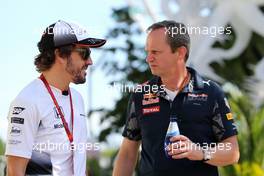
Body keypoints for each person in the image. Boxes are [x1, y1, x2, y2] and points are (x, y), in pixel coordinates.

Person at [113, 20, 239, 176]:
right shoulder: (140, 94)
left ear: (180, 52)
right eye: (148, 52)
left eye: (155, 52)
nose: (148, 59)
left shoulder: (211, 93)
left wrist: (200, 152)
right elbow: (127, 153)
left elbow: (232, 151)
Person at [5, 20, 106, 176]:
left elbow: (75, 158)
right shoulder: (27, 101)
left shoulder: (78, 99)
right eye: (85, 53)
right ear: (60, 54)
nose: (90, 61)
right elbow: (14, 171)